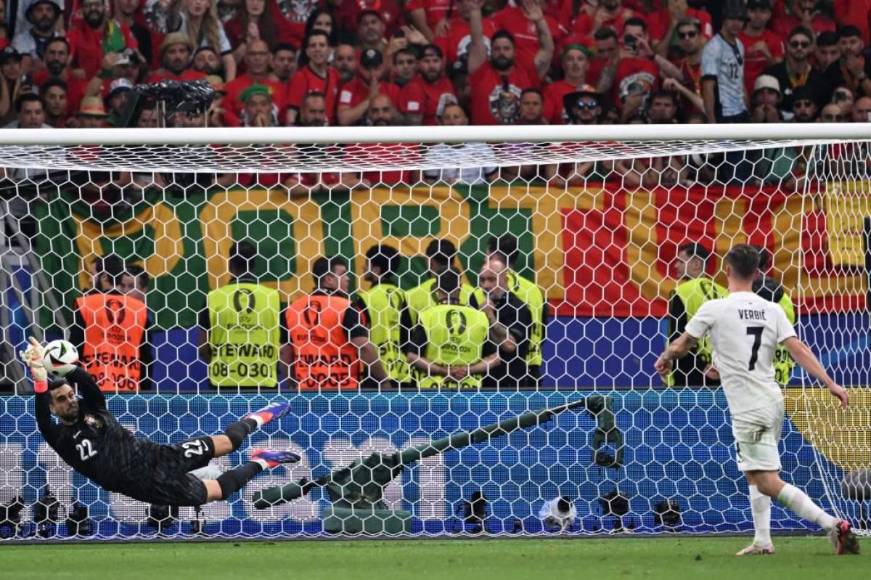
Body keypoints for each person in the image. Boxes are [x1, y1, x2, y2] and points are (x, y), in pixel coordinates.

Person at [655, 244, 859, 556]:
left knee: (766, 480)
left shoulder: (716, 308)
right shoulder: (771, 309)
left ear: (727, 271)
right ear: (756, 273)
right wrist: (830, 382)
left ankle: (833, 525)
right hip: (773, 399)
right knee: (754, 471)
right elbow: (798, 348)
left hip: (750, 408)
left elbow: (683, 344)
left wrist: (666, 357)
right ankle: (763, 539)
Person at [20, 337, 299, 507]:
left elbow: (87, 383)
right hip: (140, 486)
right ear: (53, 408)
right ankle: (264, 460)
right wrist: (39, 377)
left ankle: (261, 415)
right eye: (61, 399)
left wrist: (61, 365)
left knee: (229, 442)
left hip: (155, 457)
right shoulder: (59, 438)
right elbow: (41, 415)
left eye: (70, 395)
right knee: (217, 491)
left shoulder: (95, 408)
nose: (70, 400)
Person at [284, 256, 389, 391]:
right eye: (343, 274)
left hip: (306, 391)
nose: (348, 278)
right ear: (329, 279)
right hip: (344, 392)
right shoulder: (346, 307)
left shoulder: (293, 308)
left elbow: (285, 352)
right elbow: (364, 348)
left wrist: (291, 383)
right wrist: (384, 380)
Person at [198, 241, 283, 389]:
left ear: (230, 264)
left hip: (224, 381)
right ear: (254, 264)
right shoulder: (272, 297)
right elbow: (282, 345)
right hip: (263, 381)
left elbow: (203, 347)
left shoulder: (214, 297)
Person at [69, 254, 153, 392]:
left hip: (91, 389)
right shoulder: (139, 309)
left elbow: (74, 351)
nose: (90, 280)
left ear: (104, 277)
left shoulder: (86, 304)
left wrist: (73, 386)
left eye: (93, 274)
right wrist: (144, 394)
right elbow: (146, 358)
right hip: (130, 390)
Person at [406, 268, 500, 390]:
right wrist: (467, 370)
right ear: (459, 289)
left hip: (431, 391)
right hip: (469, 391)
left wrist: (445, 371)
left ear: (436, 289)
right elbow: (495, 358)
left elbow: (412, 356)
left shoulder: (428, 315)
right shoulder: (479, 317)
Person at [486, 235, 547, 385]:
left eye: (486, 256)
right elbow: (542, 329)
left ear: (494, 257)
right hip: (532, 371)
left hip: (502, 371)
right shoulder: (535, 291)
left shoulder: (494, 289)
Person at [666, 243, 728, 387]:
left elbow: (677, 336)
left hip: (689, 372)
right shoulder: (725, 293)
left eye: (680, 261)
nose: (675, 265)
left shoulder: (682, 292)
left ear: (696, 264)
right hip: (721, 371)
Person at [356, 245, 413, 388]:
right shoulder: (404, 295)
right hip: (403, 373)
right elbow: (409, 336)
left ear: (376, 270)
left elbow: (360, 338)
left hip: (374, 373)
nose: (363, 268)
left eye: (367, 264)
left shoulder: (365, 298)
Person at [478, 255, 533, 389]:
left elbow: (509, 346)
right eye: (482, 280)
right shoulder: (478, 305)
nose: (486, 285)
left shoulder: (518, 308)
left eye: (491, 280)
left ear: (505, 279)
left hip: (509, 386)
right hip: (483, 383)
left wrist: (490, 316)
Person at [405, 239, 483, 326]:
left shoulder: (411, 295)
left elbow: (408, 332)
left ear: (429, 261)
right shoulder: (475, 294)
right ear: (453, 261)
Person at [751, 246, 795, 386]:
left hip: (752, 376)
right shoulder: (785, 299)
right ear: (766, 266)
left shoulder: (739, 298)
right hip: (780, 372)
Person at [701, 0, 749, 123]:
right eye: (732, 18)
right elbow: (708, 86)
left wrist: (747, 108)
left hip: (741, 110)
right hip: (723, 113)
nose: (736, 23)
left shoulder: (740, 44)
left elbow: (740, 80)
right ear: (724, 19)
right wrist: (712, 121)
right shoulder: (713, 47)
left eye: (740, 19)